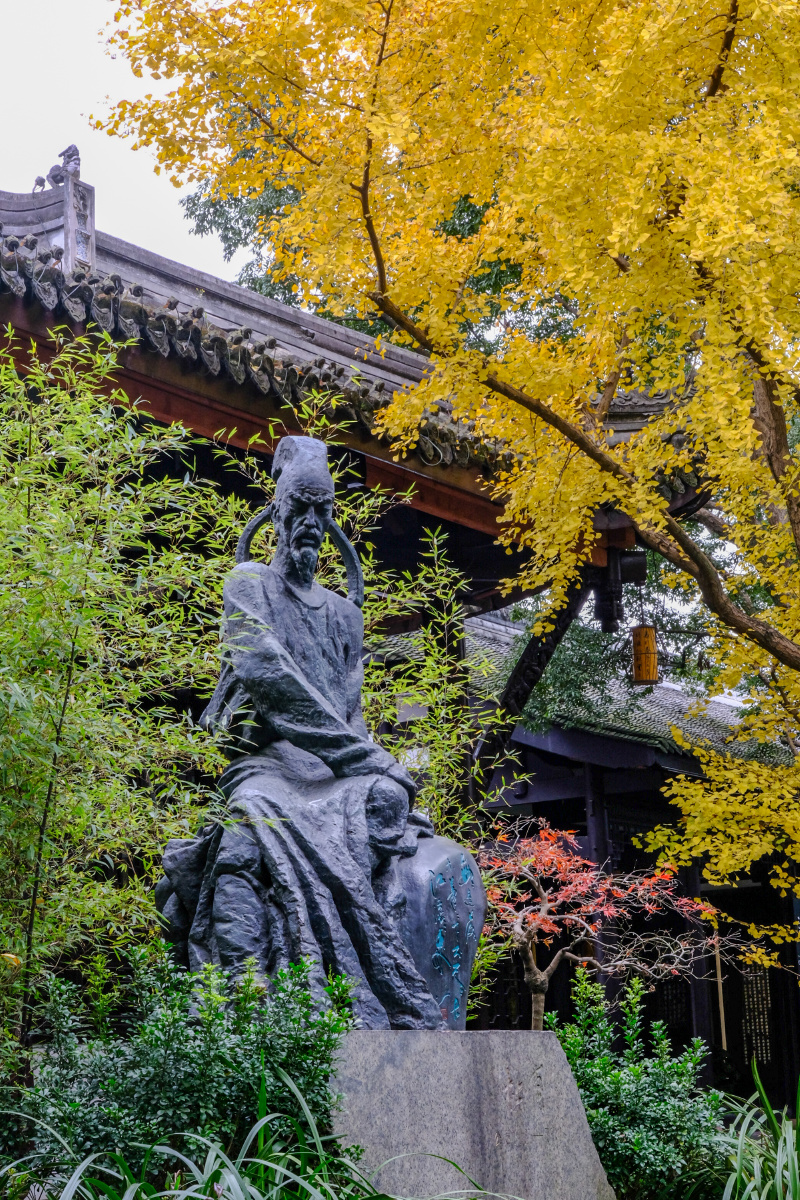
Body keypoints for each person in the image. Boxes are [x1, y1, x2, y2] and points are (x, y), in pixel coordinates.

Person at [156, 436, 458, 1029]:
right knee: (247, 830)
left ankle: (355, 980)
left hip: (333, 771)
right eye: (302, 507)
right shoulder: (248, 584)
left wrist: (374, 764)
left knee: (386, 800)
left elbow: (351, 711)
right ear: (278, 510)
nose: (313, 524)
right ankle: (242, 987)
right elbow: (269, 675)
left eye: (324, 510)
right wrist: (365, 755)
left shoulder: (345, 614)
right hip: (269, 763)